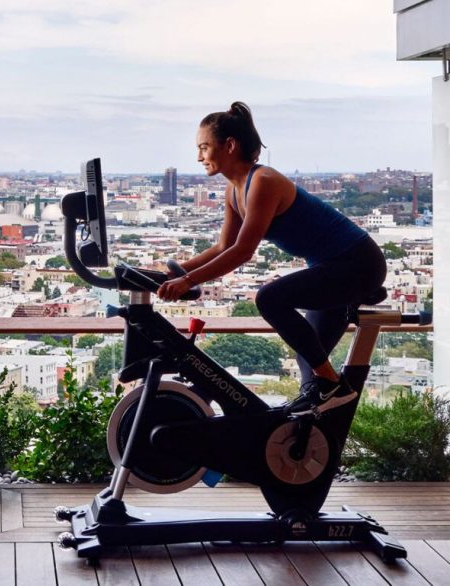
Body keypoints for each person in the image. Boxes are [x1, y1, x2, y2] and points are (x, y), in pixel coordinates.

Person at [155, 102, 386, 414]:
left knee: (270, 299)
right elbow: (223, 246)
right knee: (309, 357)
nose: (199, 157)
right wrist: (173, 273)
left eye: (204, 147)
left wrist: (188, 280)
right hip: (330, 267)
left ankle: (335, 385)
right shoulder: (233, 190)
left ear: (230, 145)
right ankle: (318, 420)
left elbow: (242, 251)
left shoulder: (263, 181)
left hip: (358, 264)